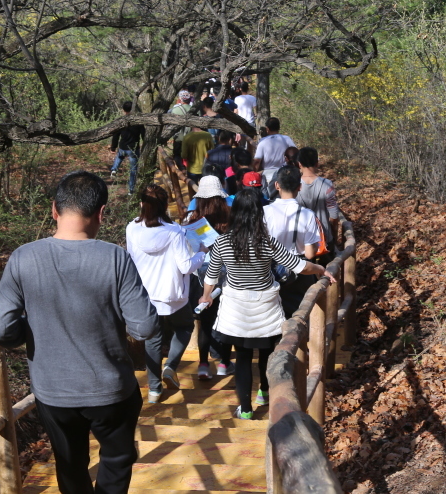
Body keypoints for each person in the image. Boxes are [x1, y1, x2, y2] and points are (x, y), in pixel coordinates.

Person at [0, 171, 159, 494]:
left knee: (70, 465)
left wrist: (30, 331)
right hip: (112, 391)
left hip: (53, 393)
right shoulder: (115, 258)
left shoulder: (23, 258)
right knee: (118, 458)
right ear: (101, 213)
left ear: (54, 209)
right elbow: (145, 326)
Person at [198, 189, 335, 419]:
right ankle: (263, 391)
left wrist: (206, 296)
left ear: (236, 212)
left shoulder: (222, 242)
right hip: (266, 307)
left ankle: (246, 409)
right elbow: (299, 266)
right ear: (257, 214)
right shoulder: (266, 242)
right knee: (265, 353)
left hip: (236, 309)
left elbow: (211, 275)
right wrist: (321, 269)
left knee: (242, 357)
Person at [125, 185, 205, 403]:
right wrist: (201, 253)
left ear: (142, 204)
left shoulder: (132, 228)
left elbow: (130, 259)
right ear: (164, 206)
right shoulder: (174, 232)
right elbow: (186, 266)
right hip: (173, 295)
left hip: (145, 293)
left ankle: (154, 390)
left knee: (153, 339)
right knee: (185, 326)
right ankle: (170, 366)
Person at [184, 176, 234, 379]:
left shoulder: (191, 219)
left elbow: (186, 247)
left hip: (200, 273)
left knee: (205, 320)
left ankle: (203, 364)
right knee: (226, 318)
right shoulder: (231, 217)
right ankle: (224, 362)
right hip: (226, 273)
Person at [264, 166, 322, 318]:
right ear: (300, 187)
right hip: (300, 272)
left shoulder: (264, 212)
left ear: (277, 185)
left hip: (270, 271)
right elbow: (310, 254)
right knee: (301, 315)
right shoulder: (307, 215)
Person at [297, 147, 340, 264]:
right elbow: (334, 215)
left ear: (299, 164)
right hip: (324, 238)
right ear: (317, 163)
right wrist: (333, 235)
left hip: (301, 240)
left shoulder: (294, 185)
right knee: (329, 273)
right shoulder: (327, 185)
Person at [252, 117, 295, 198]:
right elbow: (294, 153)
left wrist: (255, 172)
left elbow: (257, 161)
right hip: (285, 173)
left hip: (267, 175)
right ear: (279, 127)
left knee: (268, 199)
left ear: (267, 128)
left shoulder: (263, 141)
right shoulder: (286, 139)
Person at [109, 101, 145, 194]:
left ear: (123, 110)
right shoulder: (138, 121)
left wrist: (113, 147)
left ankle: (114, 169)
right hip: (133, 149)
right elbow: (144, 135)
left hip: (122, 147)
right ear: (133, 109)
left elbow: (115, 136)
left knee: (119, 156)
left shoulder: (121, 121)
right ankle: (131, 190)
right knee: (133, 170)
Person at [169, 90, 194, 168]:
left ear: (180, 99)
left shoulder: (175, 110)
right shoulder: (194, 109)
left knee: (177, 155)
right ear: (190, 99)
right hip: (192, 137)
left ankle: (181, 170)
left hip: (179, 138)